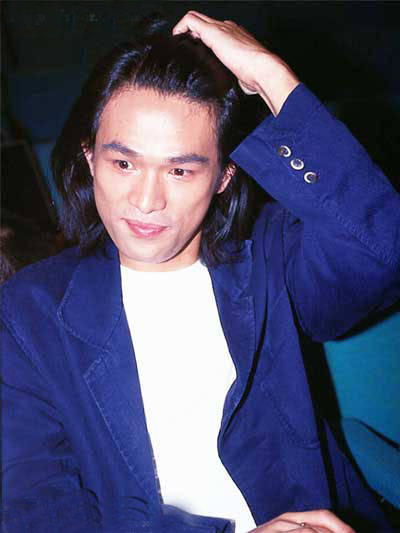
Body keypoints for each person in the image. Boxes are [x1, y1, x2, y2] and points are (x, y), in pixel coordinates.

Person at [2, 10, 399, 533]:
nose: (146, 200)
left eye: (180, 170)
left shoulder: (269, 258)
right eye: (124, 164)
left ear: (223, 177)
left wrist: (272, 77)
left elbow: (380, 247)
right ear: (90, 159)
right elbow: (36, 507)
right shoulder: (28, 311)